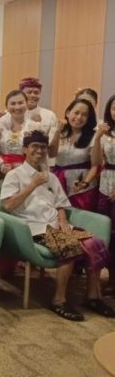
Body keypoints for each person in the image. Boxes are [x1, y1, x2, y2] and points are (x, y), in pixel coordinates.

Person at [1, 128, 114, 321]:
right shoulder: (14, 175)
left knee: (95, 243)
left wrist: (63, 220)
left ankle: (93, 297)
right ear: (25, 149)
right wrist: (32, 185)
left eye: (43, 147)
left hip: (56, 225)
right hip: (33, 227)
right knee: (69, 246)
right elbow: (8, 205)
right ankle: (59, 300)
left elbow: (61, 204)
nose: (39, 151)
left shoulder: (51, 176)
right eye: (34, 146)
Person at [48, 98, 99, 210]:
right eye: (76, 112)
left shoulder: (93, 136)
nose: (79, 117)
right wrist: (58, 131)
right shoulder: (59, 131)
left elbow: (95, 165)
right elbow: (51, 154)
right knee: (58, 213)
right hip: (58, 180)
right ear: (68, 113)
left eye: (84, 115)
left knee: (80, 216)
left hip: (82, 186)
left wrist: (85, 183)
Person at [93, 94, 115, 295]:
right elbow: (98, 161)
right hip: (105, 183)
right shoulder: (106, 132)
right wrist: (98, 137)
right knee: (106, 231)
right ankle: (109, 278)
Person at [0, 90, 29, 170]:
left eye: (20, 103)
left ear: (26, 104)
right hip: (1, 168)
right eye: (13, 104)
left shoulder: (33, 125)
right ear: (7, 106)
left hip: (25, 169)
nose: (17, 107)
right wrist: (0, 164)